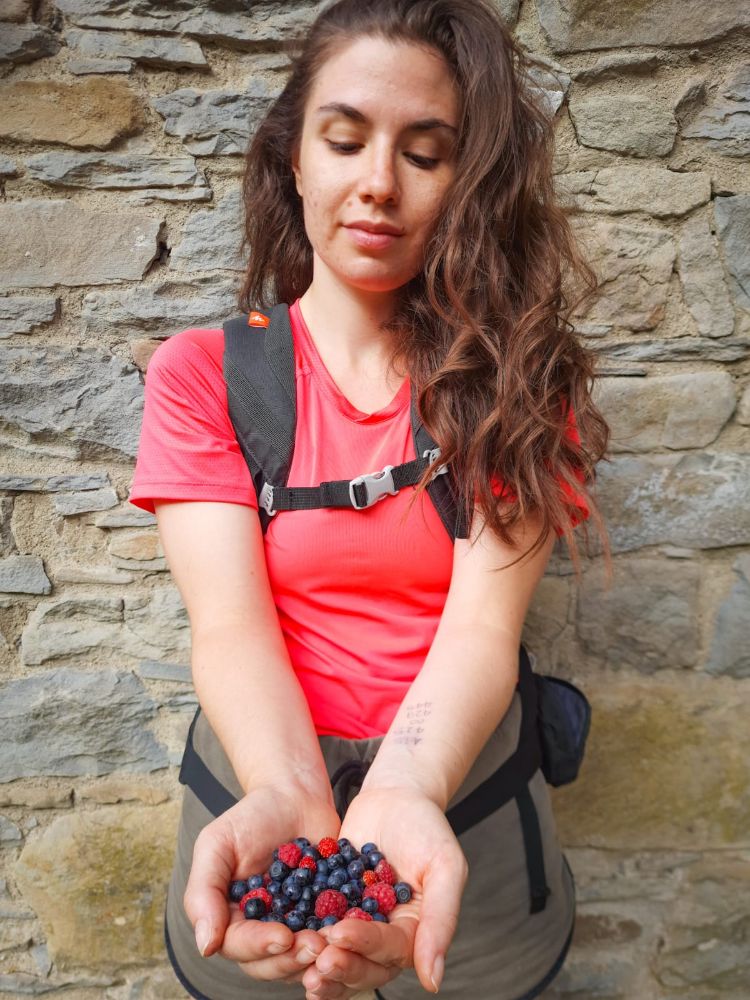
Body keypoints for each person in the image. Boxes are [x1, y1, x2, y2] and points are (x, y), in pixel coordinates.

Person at [128, 1, 610, 998]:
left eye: (425, 154)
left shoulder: (519, 379)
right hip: (268, 812)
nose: (377, 184)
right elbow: (230, 627)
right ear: (294, 156)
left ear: (468, 182)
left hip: (458, 818)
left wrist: (402, 787)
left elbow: (482, 630)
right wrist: (287, 787)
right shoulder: (203, 377)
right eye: (344, 140)